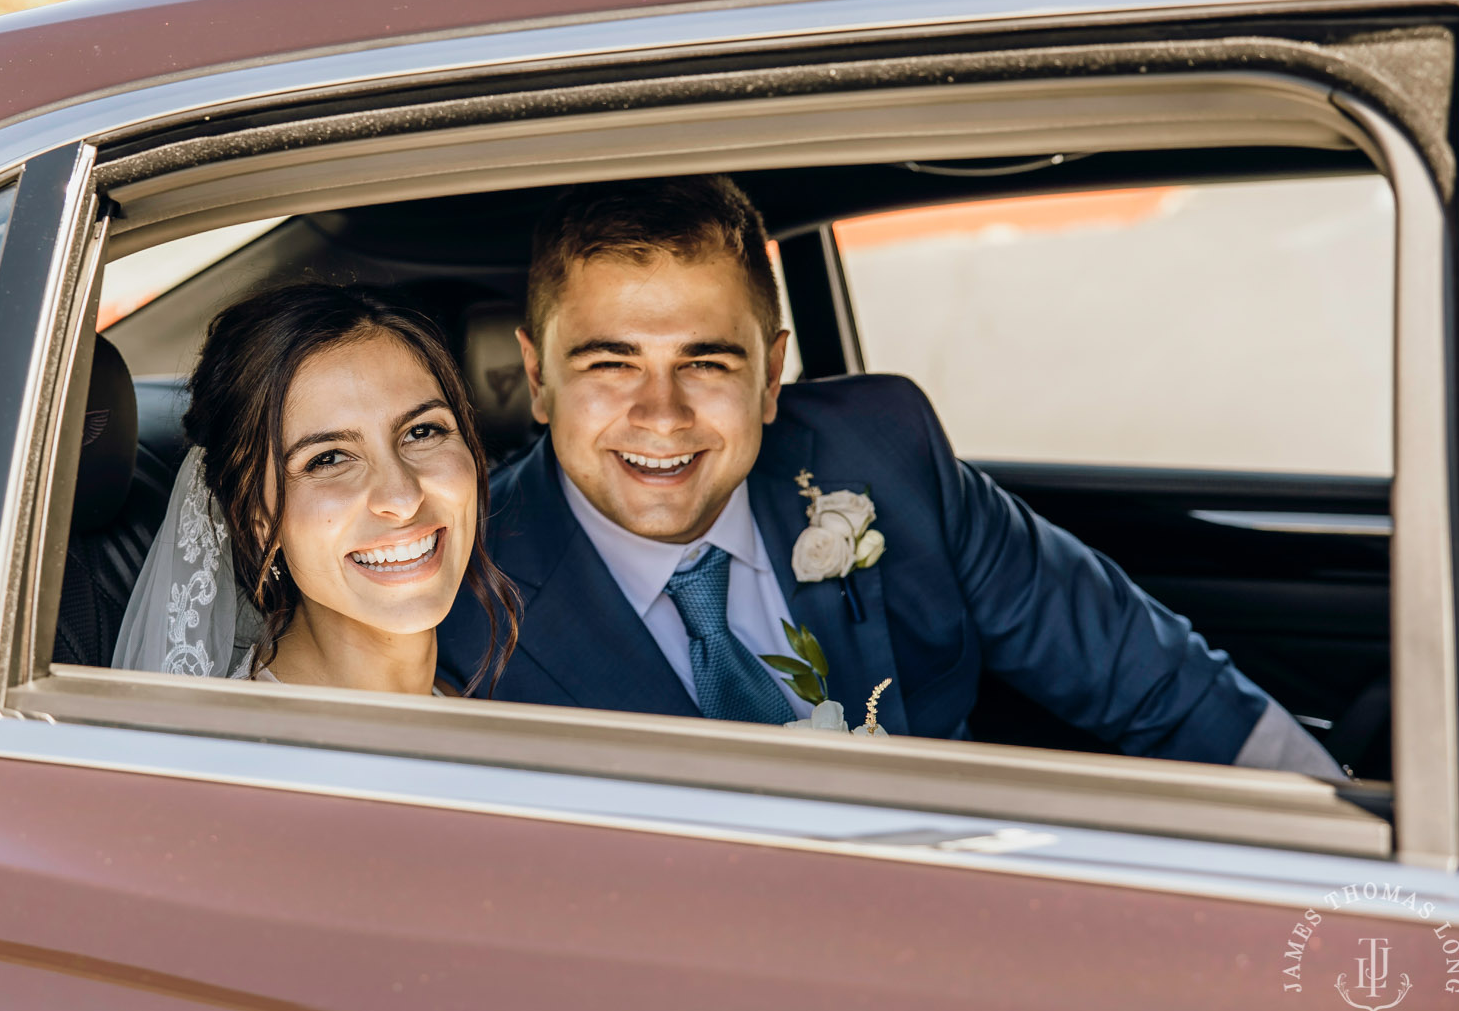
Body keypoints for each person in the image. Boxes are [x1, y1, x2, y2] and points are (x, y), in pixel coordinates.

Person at [438, 174, 1340, 774]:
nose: (663, 413)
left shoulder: (882, 452)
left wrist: (1358, 869)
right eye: (610, 364)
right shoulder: (460, 598)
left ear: (771, 372)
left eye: (707, 362)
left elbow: (1149, 678)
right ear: (540, 377)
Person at [113, 282, 518, 695]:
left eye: (422, 431)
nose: (402, 497)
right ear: (256, 517)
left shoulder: (452, 703)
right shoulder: (242, 752)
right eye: (328, 458)